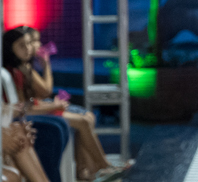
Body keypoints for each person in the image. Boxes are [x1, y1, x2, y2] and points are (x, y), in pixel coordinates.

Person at [2, 29, 123, 181]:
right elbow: (29, 103)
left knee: (87, 118)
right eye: (23, 45)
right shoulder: (15, 71)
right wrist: (53, 106)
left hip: (32, 108)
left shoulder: (24, 68)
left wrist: (45, 67)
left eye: (30, 43)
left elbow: (37, 96)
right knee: (81, 121)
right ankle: (100, 166)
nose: (29, 48)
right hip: (27, 112)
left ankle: (87, 168)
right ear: (9, 48)